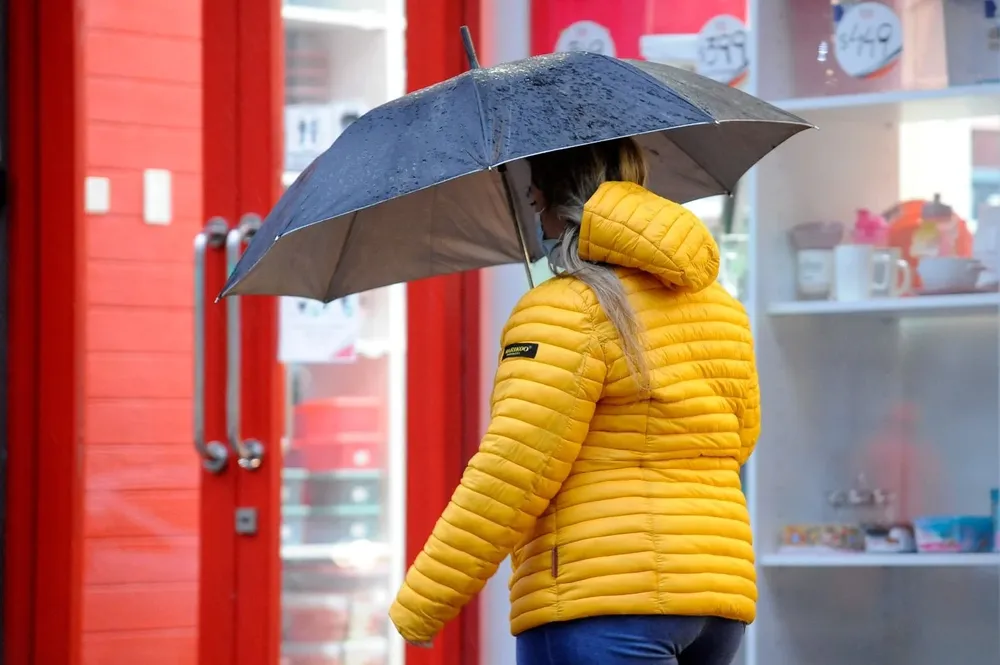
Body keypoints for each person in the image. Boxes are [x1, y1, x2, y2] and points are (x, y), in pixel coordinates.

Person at [388, 137, 760, 665]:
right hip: (715, 601)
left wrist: (424, 601)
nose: (537, 225)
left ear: (561, 204)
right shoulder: (720, 308)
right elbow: (738, 440)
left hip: (602, 603)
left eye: (537, 204)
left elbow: (511, 471)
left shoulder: (565, 309)